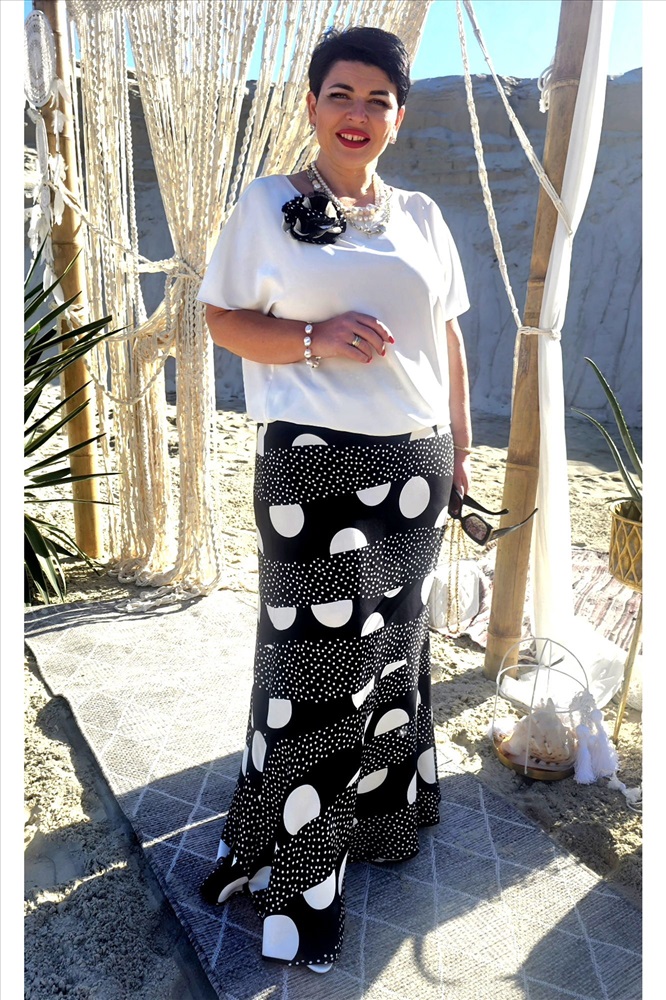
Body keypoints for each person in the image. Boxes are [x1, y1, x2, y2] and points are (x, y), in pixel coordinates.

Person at [196, 25, 472, 973]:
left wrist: (460, 451)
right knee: (312, 675)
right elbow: (223, 318)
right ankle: (297, 887)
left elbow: (448, 338)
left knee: (393, 657)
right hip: (313, 468)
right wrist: (317, 340)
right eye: (341, 95)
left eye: (378, 100)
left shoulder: (423, 216)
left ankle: (381, 825)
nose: (359, 114)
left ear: (399, 115)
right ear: (312, 104)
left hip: (417, 466)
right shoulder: (268, 205)